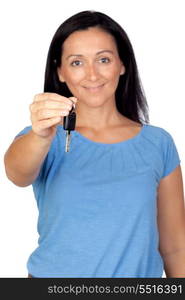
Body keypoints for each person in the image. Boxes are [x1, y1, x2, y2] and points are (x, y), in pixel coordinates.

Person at [4, 10, 185, 278]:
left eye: (103, 59)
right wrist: (41, 136)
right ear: (60, 72)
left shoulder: (158, 143)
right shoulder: (44, 135)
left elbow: (175, 247)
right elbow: (17, 174)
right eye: (77, 62)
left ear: (122, 65)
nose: (92, 74)